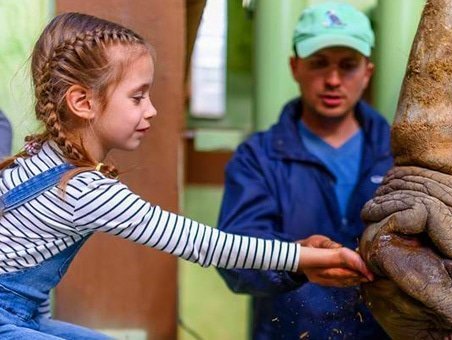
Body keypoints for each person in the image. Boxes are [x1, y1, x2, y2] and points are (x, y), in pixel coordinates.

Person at [0, 12, 373, 339]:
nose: (152, 110)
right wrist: (301, 257)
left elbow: (25, 264)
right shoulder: (85, 190)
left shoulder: (38, 156)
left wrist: (38, 323)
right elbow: (203, 244)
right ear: (82, 102)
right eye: (137, 97)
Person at [216, 2, 393, 339]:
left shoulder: (399, 155)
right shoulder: (258, 158)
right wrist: (298, 257)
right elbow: (234, 258)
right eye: (318, 63)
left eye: (348, 66)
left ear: (368, 72)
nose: (332, 80)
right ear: (295, 67)